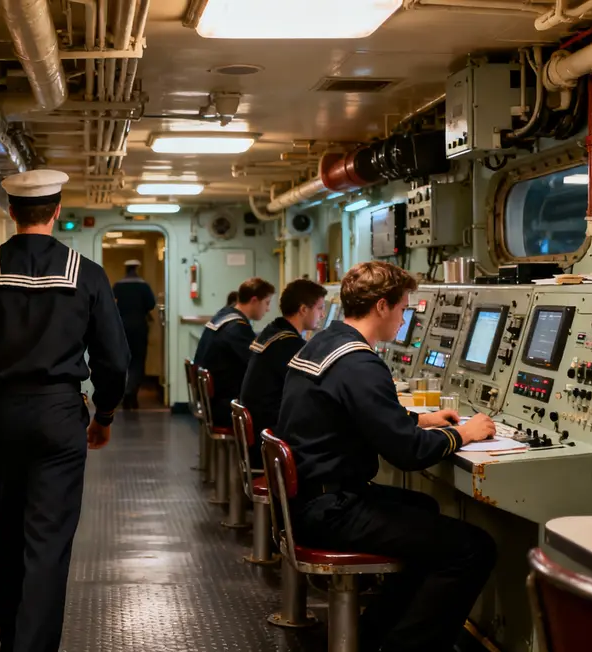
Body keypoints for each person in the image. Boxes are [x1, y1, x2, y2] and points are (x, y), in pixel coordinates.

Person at [0, 168, 129, 652]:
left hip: (0, 417)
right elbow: (114, 359)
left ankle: (9, 630)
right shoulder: (86, 275)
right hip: (61, 417)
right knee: (46, 541)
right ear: (58, 212)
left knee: (7, 529)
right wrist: (103, 415)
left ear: (11, 212)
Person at [275, 261, 497, 652]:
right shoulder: (360, 363)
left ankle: (376, 632)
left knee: (423, 507)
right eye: (403, 308)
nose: (403, 317)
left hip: (308, 498)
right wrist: (463, 432)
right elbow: (408, 453)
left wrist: (421, 418)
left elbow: (359, 413)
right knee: (474, 547)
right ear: (381, 306)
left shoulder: (325, 344)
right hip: (331, 509)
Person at [238, 278, 327, 468]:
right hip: (270, 437)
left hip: (260, 431)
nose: (322, 315)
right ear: (303, 309)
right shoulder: (289, 344)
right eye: (320, 308)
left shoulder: (273, 332)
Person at [192, 277, 275, 425]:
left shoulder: (224, 315)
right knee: (274, 410)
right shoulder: (237, 327)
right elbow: (257, 365)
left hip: (210, 400)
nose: (268, 309)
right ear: (254, 300)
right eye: (267, 303)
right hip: (223, 406)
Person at [113, 259, 156, 410]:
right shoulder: (143, 286)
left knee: (123, 360)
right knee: (138, 360)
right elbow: (151, 304)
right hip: (139, 327)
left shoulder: (118, 286)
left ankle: (124, 392)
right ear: (137, 269)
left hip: (122, 327)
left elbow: (111, 304)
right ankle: (132, 393)